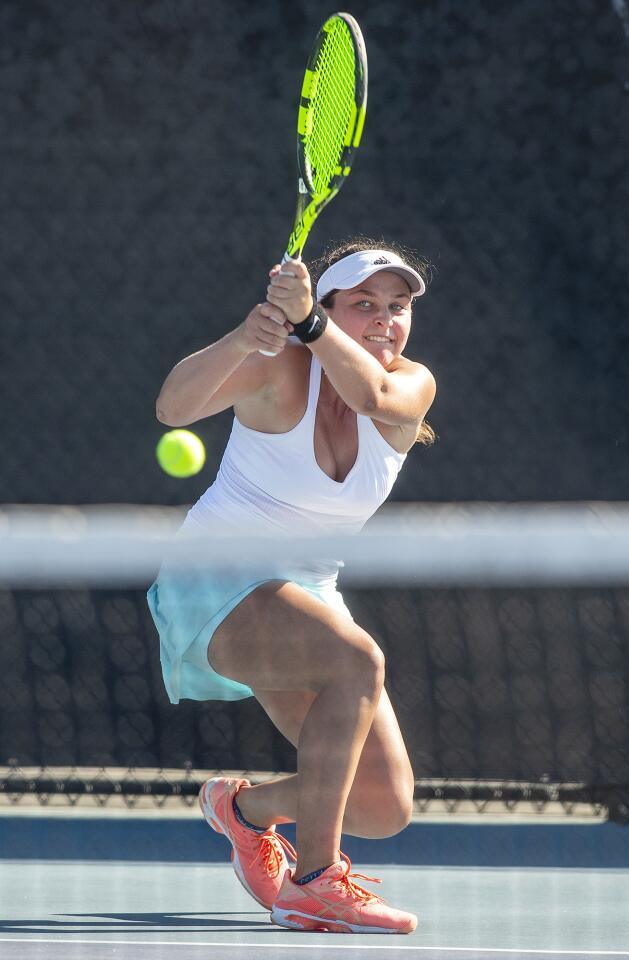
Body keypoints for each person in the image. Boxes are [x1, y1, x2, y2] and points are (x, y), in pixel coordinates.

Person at [148, 238, 436, 934]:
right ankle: (315, 882)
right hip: (216, 577)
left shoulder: (413, 384)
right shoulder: (280, 368)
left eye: (397, 308)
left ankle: (244, 810)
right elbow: (173, 408)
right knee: (358, 659)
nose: (385, 320)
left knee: (383, 807)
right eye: (364, 304)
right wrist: (244, 338)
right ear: (329, 304)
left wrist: (313, 324)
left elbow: (368, 391)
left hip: (306, 593)